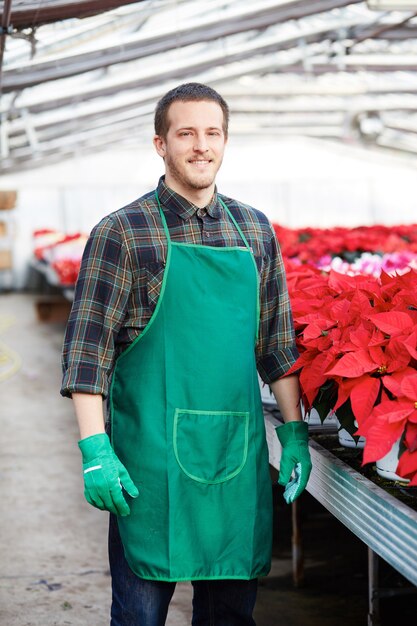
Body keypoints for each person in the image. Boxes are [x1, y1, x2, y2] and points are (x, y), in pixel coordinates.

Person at [61, 82, 312, 626]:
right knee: (140, 616)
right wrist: (95, 448)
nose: (202, 145)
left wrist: (294, 434)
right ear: (161, 143)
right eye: (187, 133)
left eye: (213, 133)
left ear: (225, 141)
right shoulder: (123, 233)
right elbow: (88, 353)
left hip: (235, 459)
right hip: (150, 463)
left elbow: (275, 344)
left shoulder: (254, 231)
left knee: (229, 616)